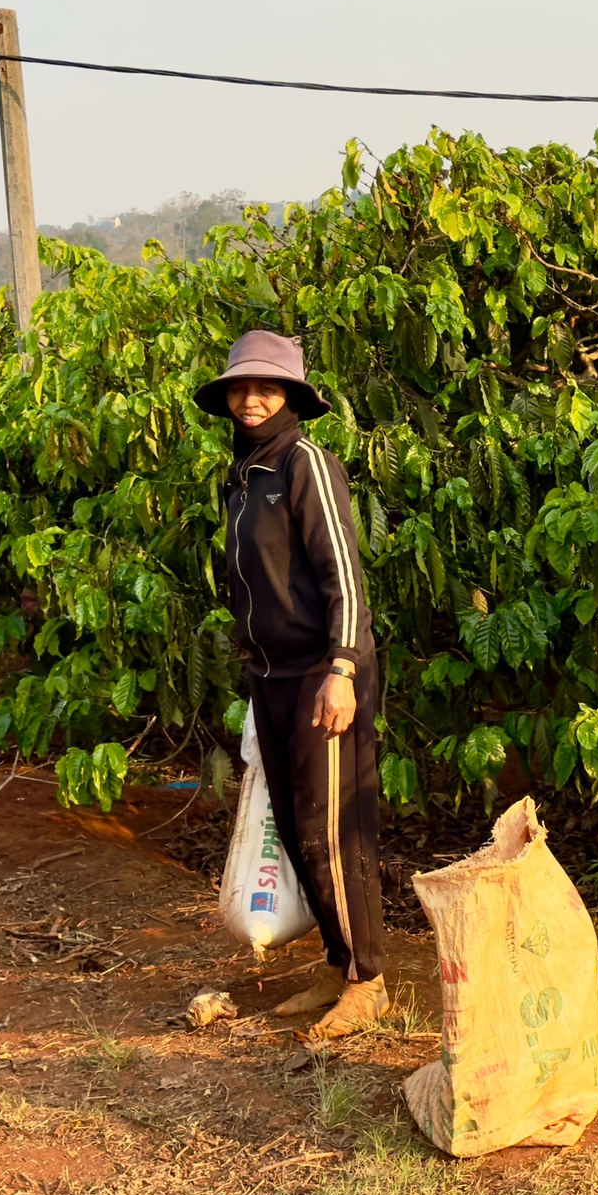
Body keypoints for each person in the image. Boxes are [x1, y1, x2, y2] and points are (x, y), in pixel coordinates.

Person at [195, 331, 389, 1039]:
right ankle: (341, 965)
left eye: (266, 388)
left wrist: (341, 669)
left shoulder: (304, 464)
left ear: (291, 397)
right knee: (298, 825)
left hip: (320, 676)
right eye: (241, 389)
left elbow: (343, 576)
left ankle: (367, 980)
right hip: (270, 676)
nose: (251, 400)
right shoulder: (244, 475)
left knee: (331, 831)